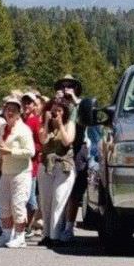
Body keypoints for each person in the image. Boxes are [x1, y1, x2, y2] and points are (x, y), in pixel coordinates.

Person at [0, 97, 36, 248]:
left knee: (18, 204)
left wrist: (11, 151)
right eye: (8, 109)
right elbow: (1, 148)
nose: (10, 112)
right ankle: (7, 234)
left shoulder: (23, 130)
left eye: (13, 110)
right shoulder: (3, 128)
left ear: (19, 113)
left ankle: (20, 236)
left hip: (21, 172)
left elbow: (30, 151)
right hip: (6, 171)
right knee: (4, 203)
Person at [38, 101, 76, 245]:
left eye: (59, 111)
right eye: (53, 111)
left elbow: (67, 142)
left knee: (59, 199)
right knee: (46, 202)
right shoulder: (46, 125)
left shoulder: (69, 125)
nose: (56, 114)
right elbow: (43, 140)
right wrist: (47, 122)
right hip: (46, 166)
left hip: (63, 167)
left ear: (64, 112)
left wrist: (60, 125)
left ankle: (55, 235)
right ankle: (46, 235)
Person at [54, 75, 83, 242]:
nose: (66, 89)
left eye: (70, 86)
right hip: (59, 148)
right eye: (63, 86)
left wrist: (74, 100)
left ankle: (69, 227)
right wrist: (55, 102)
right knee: (57, 189)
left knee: (73, 191)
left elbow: (87, 120)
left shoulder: (80, 104)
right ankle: (56, 225)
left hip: (77, 148)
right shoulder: (57, 104)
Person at [21, 92, 42, 239]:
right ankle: (23, 227)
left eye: (29, 103)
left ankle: (28, 225)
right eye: (25, 103)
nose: (27, 105)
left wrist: (30, 149)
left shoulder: (35, 121)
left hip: (32, 164)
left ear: (34, 105)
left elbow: (40, 143)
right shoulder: (20, 120)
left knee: (30, 200)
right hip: (19, 163)